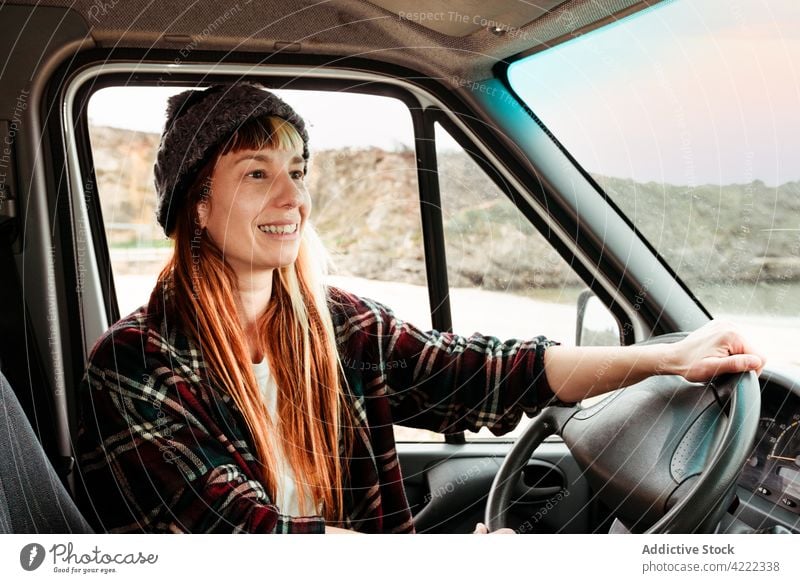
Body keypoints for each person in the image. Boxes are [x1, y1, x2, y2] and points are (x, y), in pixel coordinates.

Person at [75, 81, 766, 535]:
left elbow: (491, 371)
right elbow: (253, 543)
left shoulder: (337, 325)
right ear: (195, 205)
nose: (292, 199)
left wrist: (667, 357)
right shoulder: (134, 364)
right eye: (257, 172)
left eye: (298, 172)